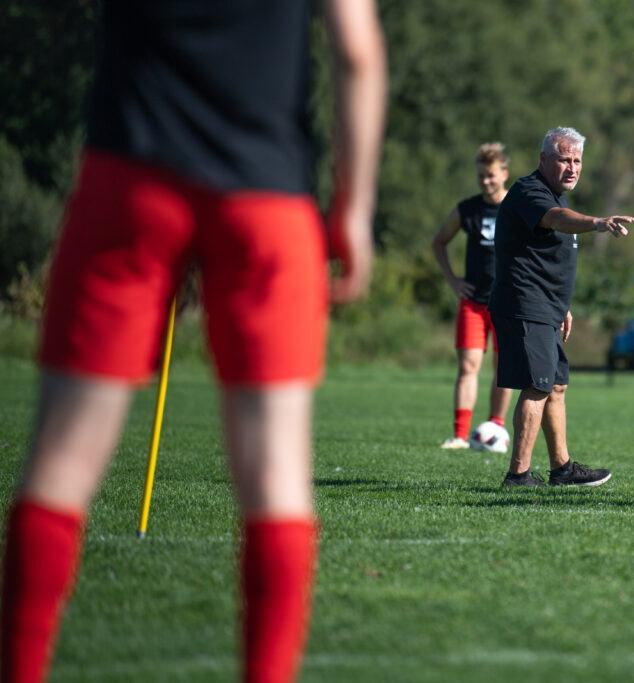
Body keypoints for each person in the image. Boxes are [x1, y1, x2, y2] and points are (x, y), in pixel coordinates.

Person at [0, 1, 387, 681]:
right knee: (276, 476)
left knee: (61, 464)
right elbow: (357, 52)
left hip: (130, 181)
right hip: (266, 200)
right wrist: (353, 207)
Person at [488, 127, 633, 487]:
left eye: (577, 161)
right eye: (564, 159)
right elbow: (555, 219)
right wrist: (597, 223)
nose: (572, 167)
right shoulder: (530, 192)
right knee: (538, 385)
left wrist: (562, 307)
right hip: (525, 304)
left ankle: (562, 468)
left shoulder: (554, 195)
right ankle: (518, 475)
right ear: (543, 160)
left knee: (555, 385)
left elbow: (544, 254)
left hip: (546, 307)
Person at [432, 143, 514, 449]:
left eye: (491, 175)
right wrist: (453, 280)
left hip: (507, 303)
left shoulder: (516, 207)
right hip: (473, 303)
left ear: (504, 174)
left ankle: (496, 428)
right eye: (481, 175)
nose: (486, 181)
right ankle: (459, 435)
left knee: (503, 369)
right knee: (467, 368)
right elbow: (439, 242)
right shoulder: (467, 209)